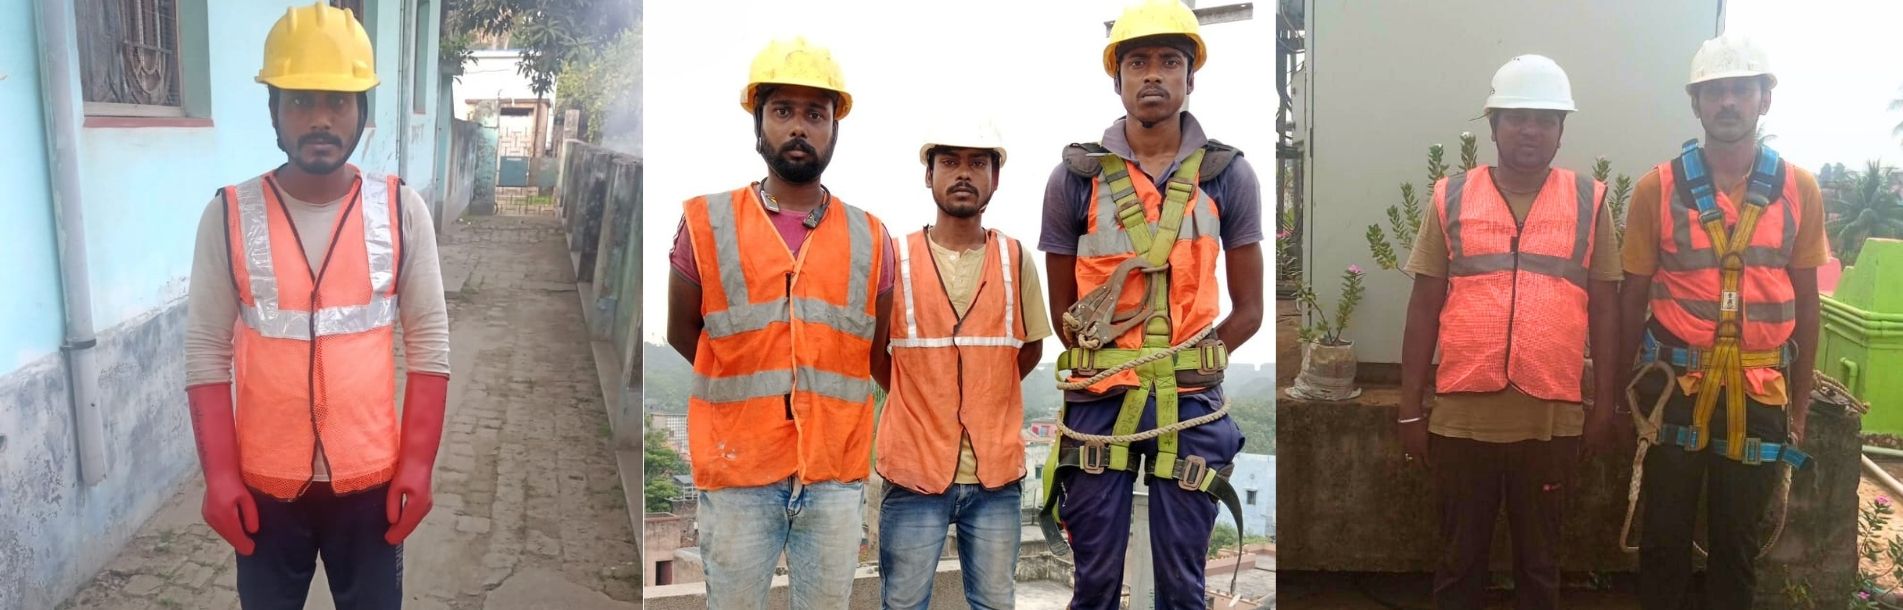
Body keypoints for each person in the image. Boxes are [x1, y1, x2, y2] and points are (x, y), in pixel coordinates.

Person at [182, 3, 450, 608]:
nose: (321, 119)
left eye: (338, 100)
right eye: (300, 101)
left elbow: (429, 340)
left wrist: (418, 464)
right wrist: (220, 476)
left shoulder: (402, 211)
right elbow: (205, 350)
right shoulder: (228, 214)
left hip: (372, 484)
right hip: (266, 486)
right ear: (274, 111)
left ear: (362, 111)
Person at [1035, 0, 1265, 606]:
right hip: (1099, 400)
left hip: (1190, 399)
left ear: (1192, 76)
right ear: (1118, 79)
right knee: (1096, 581)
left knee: (1184, 585)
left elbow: (1249, 309)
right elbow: (1065, 311)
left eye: (1170, 61)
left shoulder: (1226, 176)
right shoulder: (1075, 178)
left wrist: (1197, 360)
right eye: (1138, 62)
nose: (1154, 75)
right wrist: (1110, 364)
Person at [664, 37, 897, 610]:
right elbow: (681, 332)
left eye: (815, 114)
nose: (799, 127)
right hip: (737, 470)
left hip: (835, 477)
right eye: (783, 111)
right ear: (759, 124)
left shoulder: (872, 237)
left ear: (834, 129)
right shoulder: (707, 223)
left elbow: (877, 350)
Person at [1396, 54, 1622, 609]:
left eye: (1546, 119)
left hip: (1550, 423)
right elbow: (1424, 306)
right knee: (1457, 565)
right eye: (1517, 116)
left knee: (1541, 568)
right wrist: (1408, 410)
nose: (1531, 129)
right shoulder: (1450, 196)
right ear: (1493, 125)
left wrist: (1604, 408)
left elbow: (1607, 312)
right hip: (1460, 420)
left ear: (1562, 131)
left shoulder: (1591, 202)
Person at [1621, 34, 1824, 609]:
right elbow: (1631, 295)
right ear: (1696, 104)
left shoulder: (1798, 190)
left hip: (1761, 394)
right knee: (1663, 542)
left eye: (1741, 90)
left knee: (1737, 549)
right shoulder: (1656, 189)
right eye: (1715, 92)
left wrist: (1800, 407)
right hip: (1674, 391)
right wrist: (1617, 397)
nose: (1728, 102)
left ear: (1764, 100)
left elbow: (1808, 304)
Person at [875, 117, 1051, 610]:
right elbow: (876, 355)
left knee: (996, 603)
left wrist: (984, 393)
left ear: (995, 177)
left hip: (995, 477)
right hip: (913, 473)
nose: (963, 173)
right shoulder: (896, 257)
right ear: (927, 174)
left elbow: (1029, 348)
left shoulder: (1014, 259)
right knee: (904, 604)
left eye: (978, 163)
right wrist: (921, 396)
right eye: (949, 161)